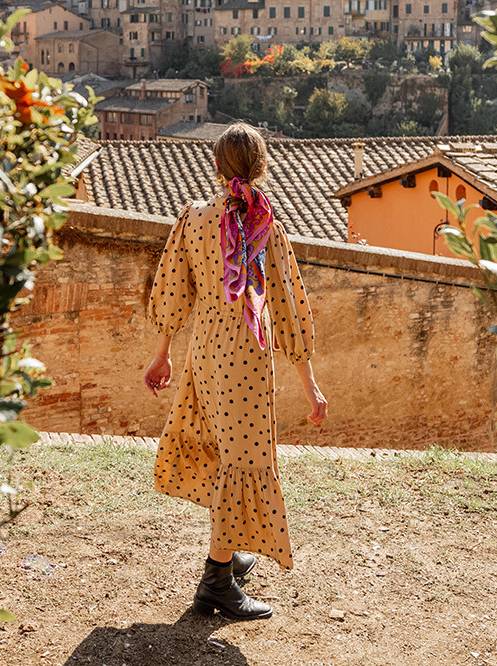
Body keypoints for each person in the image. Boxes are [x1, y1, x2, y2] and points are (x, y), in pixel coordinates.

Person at [143, 121, 327, 620]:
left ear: (217, 167)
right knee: (244, 460)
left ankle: (229, 549)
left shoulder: (192, 218)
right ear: (262, 167)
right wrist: (310, 385)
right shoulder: (267, 227)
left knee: (226, 453)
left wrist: (163, 354)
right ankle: (216, 583)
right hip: (247, 359)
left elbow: (173, 290)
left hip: (206, 353)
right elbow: (287, 307)